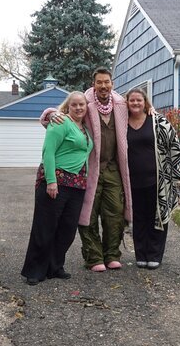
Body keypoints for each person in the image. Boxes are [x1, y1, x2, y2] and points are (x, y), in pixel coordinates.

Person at [40, 68, 132, 272]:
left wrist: (150, 109)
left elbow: (139, 111)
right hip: (90, 168)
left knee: (114, 212)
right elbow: (64, 109)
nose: (103, 86)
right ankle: (94, 257)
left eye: (106, 82)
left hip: (113, 168)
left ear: (112, 83)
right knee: (87, 213)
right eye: (99, 82)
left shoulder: (120, 104)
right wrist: (52, 113)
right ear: (93, 84)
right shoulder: (86, 101)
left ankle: (112, 255)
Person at [22, 91, 93, 286]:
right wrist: (51, 181)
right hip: (56, 182)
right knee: (44, 227)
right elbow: (48, 152)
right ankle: (35, 271)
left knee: (67, 230)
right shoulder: (60, 122)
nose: (79, 108)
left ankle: (54, 266)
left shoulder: (85, 129)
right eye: (74, 105)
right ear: (67, 107)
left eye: (82, 105)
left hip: (77, 185)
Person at [125, 88, 180, 269]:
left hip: (158, 181)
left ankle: (155, 255)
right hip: (132, 182)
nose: (135, 103)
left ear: (145, 102)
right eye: (132, 100)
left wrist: (176, 175)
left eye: (138, 100)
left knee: (157, 218)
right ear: (126, 103)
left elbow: (174, 145)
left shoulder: (158, 121)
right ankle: (141, 255)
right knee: (139, 219)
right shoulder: (121, 123)